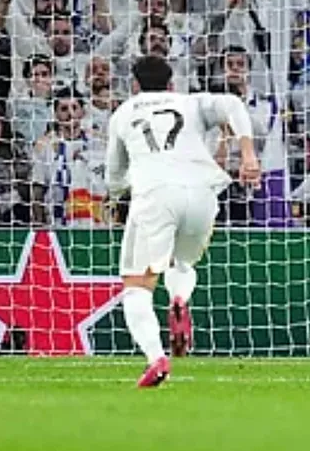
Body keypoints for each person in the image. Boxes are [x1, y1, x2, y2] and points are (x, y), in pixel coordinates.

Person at [105, 55, 261, 387]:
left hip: (156, 195)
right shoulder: (190, 102)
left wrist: (123, 191)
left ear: (134, 85)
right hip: (203, 193)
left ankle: (156, 358)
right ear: (171, 83)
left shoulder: (122, 114)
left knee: (137, 288)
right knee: (181, 261)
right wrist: (248, 156)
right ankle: (179, 298)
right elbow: (233, 104)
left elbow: (113, 178)